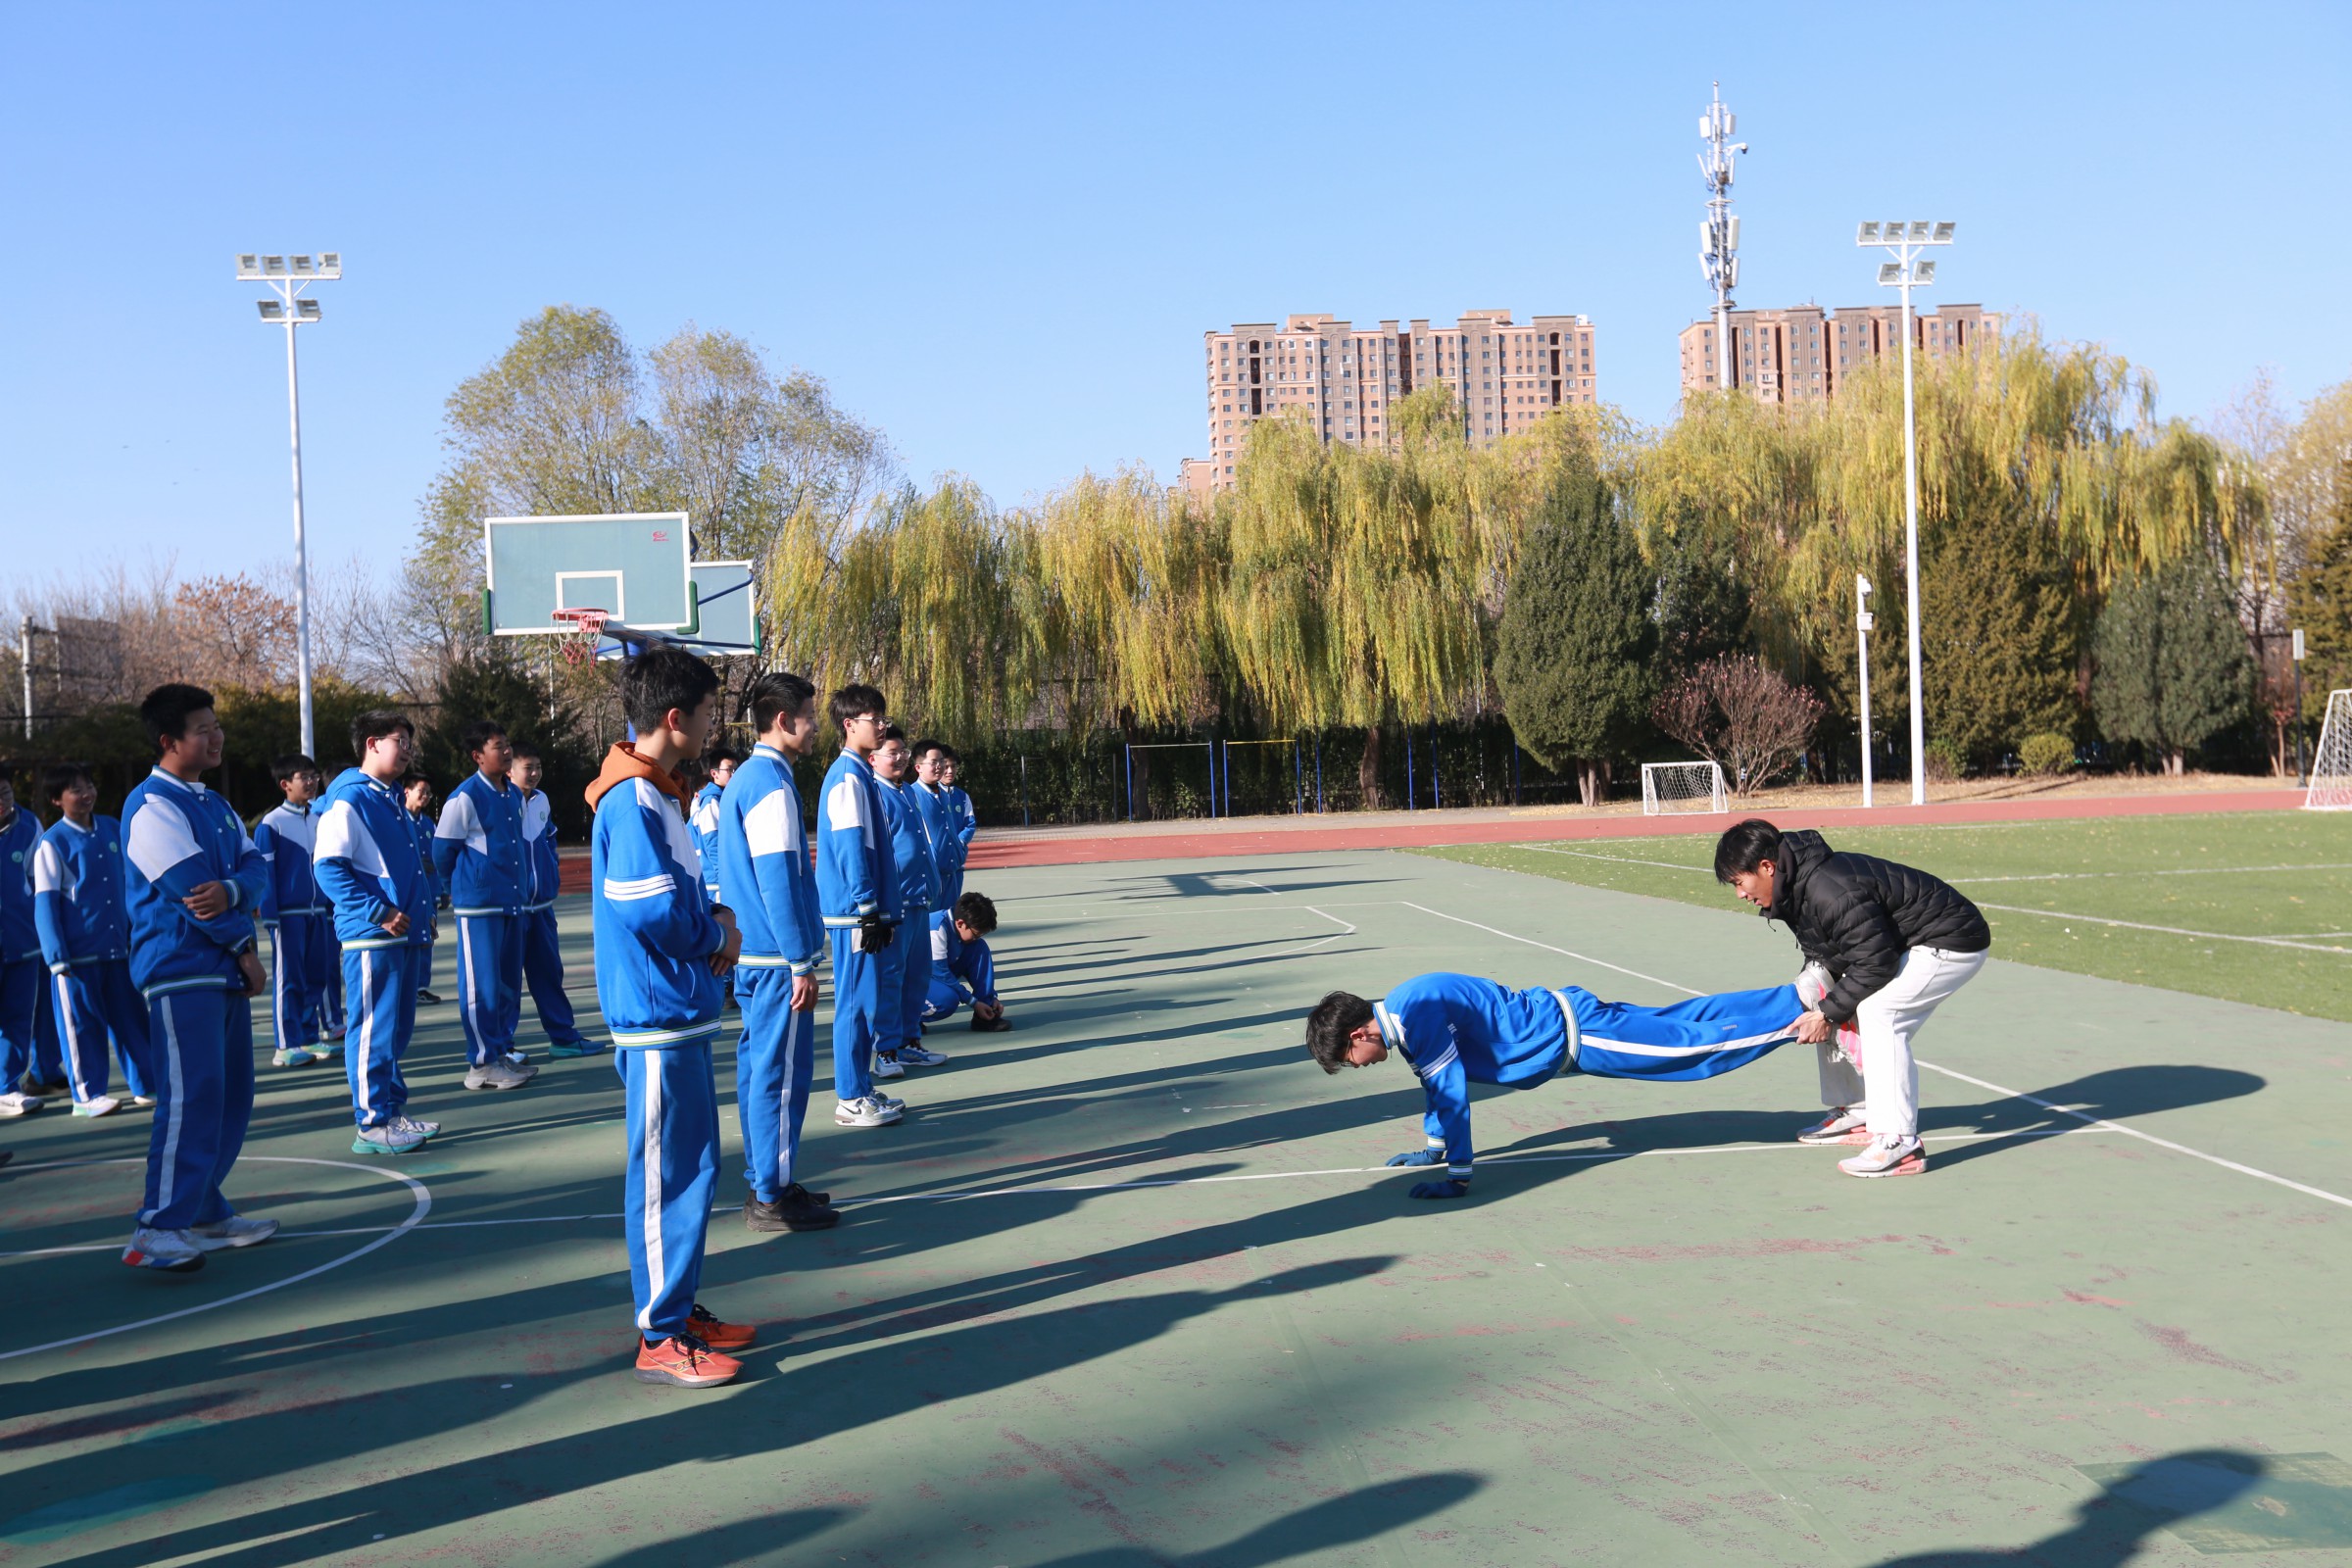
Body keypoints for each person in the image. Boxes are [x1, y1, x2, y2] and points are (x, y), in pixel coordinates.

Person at [588, 644, 753, 1388]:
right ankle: (659, 1333)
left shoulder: (658, 793)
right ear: (677, 717)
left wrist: (714, 914)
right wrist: (715, 937)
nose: (717, 723)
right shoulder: (632, 800)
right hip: (656, 1015)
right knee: (666, 1175)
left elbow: (677, 895)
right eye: (711, 711)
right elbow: (648, 909)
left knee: (694, 1167)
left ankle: (679, 1309)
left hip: (678, 1010)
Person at [1305, 972, 1808, 1200]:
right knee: (1684, 1020)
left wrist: (1458, 1177)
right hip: (1573, 1020)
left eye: (1349, 1060)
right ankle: (1795, 995)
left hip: (1581, 1036)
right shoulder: (1404, 1012)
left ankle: (1806, 1017)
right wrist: (1433, 1148)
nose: (1358, 1067)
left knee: (1690, 1052)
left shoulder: (1416, 1016)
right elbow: (1437, 1091)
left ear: (1359, 1035)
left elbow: (1453, 1097)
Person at [1715, 817, 1992, 1179]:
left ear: (1767, 867)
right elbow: (1833, 951)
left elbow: (1876, 962)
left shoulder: (1829, 889)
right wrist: (1817, 998)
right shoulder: (1795, 885)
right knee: (1824, 997)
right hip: (1903, 943)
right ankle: (1858, 1111)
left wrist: (1827, 1015)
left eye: (1739, 882)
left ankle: (1900, 1142)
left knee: (1880, 1012)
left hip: (1952, 940)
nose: (1740, 894)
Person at [119, 683, 277, 1272]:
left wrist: (233, 888)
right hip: (182, 971)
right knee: (191, 1098)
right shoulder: (150, 806)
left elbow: (253, 868)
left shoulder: (215, 804)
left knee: (230, 1096)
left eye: (217, 726)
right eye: (203, 729)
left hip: (220, 974)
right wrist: (244, 947)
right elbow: (191, 894)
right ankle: (157, 1228)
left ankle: (204, 1210)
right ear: (169, 741)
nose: (217, 737)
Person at [716, 670, 839, 1232]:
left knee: (760, 1072)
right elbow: (778, 881)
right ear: (784, 721)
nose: (816, 727)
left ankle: (769, 1180)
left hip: (756, 956)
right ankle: (771, 1194)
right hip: (775, 960)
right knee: (782, 1079)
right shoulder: (769, 783)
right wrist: (799, 961)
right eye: (810, 717)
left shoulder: (750, 777)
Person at [316, 711, 441, 1155]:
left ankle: (392, 1112)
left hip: (403, 932)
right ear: (372, 744)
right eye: (399, 741)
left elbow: (407, 867)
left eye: (409, 742)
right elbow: (327, 868)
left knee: (394, 1031)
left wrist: (423, 912)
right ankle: (371, 1124)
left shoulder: (389, 797)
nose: (407, 750)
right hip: (372, 934)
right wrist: (378, 911)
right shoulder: (349, 797)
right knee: (373, 1029)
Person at [31, 763, 152, 1116]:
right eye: (76, 790)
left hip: (118, 950)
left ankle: (147, 1084)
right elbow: (45, 904)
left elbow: (132, 883)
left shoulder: (112, 829)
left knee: (132, 1020)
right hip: (76, 959)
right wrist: (56, 957)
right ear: (57, 800)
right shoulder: (52, 842)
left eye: (89, 786)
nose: (86, 794)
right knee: (82, 1027)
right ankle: (86, 1096)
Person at [814, 684, 905, 1129]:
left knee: (865, 1002)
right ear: (849, 725)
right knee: (855, 1005)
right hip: (853, 913)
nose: (883, 726)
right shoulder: (848, 776)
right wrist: (867, 905)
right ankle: (850, 1098)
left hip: (862, 910)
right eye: (875, 719)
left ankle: (861, 1088)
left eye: (884, 718)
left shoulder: (859, 774)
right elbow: (851, 846)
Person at [434, 720, 537, 1090]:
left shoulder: (512, 795)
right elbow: (442, 850)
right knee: (482, 986)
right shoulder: (464, 797)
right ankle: (481, 1064)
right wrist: (460, 889)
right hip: (479, 908)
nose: (507, 751)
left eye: (508, 744)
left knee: (507, 984)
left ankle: (499, 1051)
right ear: (478, 756)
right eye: (498, 746)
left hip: (510, 903)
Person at [512, 745, 596, 1058]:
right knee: (507, 981)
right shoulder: (500, 802)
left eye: (538, 767)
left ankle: (563, 1037)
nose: (534, 773)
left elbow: (549, 840)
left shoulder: (542, 799)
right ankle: (503, 1047)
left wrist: (552, 875)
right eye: (527, 768)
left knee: (549, 973)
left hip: (542, 908)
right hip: (512, 910)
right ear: (509, 770)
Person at [873, 725, 947, 1076]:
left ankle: (909, 1042)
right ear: (873, 759)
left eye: (903, 751)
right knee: (891, 978)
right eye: (893, 753)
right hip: (896, 903)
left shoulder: (905, 792)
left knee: (918, 975)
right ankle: (885, 1050)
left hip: (918, 900)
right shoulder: (875, 795)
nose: (900, 758)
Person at [254, 754, 331, 1069]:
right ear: (285, 784)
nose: (312, 782)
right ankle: (285, 1045)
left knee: (316, 976)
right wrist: (270, 914)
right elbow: (265, 874)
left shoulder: (319, 820)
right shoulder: (271, 824)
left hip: (318, 912)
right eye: (304, 777)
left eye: (314, 776)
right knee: (289, 979)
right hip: (288, 916)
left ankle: (309, 1036)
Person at [0, 777, 55, 1116]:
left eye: (4, 793)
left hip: (22, 940)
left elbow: (41, 883)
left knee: (18, 1017)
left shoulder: (29, 825)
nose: (1, 802)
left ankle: (7, 1087)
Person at [924, 890, 1009, 1032]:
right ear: (960, 924)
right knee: (947, 1000)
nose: (977, 938)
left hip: (929, 975)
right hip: (910, 979)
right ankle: (904, 1018)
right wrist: (973, 1002)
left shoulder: (960, 928)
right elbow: (941, 974)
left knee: (979, 948)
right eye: (976, 934)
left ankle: (986, 1012)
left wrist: (991, 998)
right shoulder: (936, 929)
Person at [908, 741, 964, 910]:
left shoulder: (944, 794)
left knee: (949, 920)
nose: (939, 766)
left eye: (941, 761)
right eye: (933, 762)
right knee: (932, 922)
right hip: (930, 876)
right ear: (918, 767)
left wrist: (959, 850)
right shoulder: (911, 795)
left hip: (951, 872)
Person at [403, 774, 443, 1004]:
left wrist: (443, 889)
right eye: (421, 791)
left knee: (428, 936)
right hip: (409, 893)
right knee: (409, 939)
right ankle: (408, 986)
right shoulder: (399, 819)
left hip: (430, 891)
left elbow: (438, 855)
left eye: (428, 793)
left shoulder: (428, 824)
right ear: (407, 792)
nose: (426, 796)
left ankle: (421, 986)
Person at [689, 748, 737, 904]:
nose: (734, 774)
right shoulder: (711, 802)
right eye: (729, 769)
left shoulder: (723, 799)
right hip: (717, 885)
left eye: (736, 769)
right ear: (714, 773)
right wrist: (726, 879)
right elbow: (713, 844)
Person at [935, 747, 979, 908]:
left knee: (951, 908)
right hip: (935, 865)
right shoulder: (925, 794)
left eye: (953, 766)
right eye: (946, 766)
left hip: (956, 863)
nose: (950, 771)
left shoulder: (962, 796)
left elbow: (970, 824)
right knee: (933, 910)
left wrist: (958, 843)